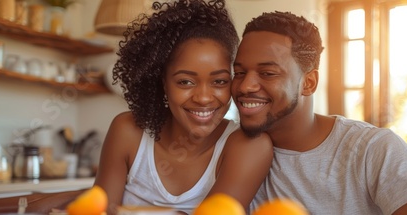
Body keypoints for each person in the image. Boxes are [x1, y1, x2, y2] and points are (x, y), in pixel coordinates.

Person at [231, 11, 407, 214]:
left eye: (267, 73)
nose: (245, 86)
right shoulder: (228, 148)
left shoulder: (374, 149)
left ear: (309, 83)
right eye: (239, 73)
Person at [94, 1, 273, 214]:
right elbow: (97, 209)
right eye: (185, 82)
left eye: (219, 82)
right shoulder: (127, 131)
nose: (204, 98)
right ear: (163, 82)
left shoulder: (247, 146)